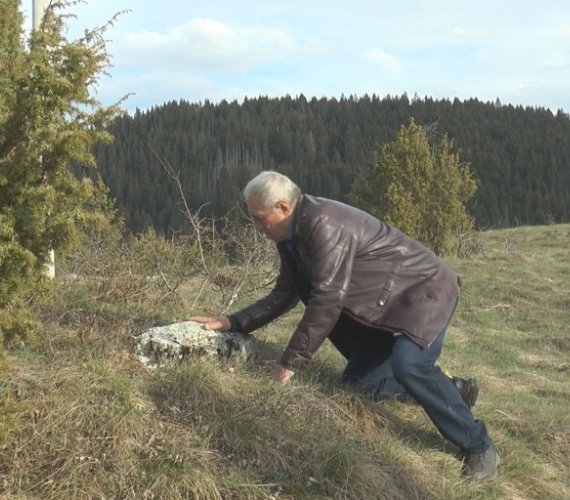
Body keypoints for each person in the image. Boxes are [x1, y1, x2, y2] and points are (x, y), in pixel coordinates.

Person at [189, 171, 499, 480]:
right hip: (387, 304)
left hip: (425, 293)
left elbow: (328, 298)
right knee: (358, 384)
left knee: (410, 365)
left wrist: (290, 363)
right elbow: (286, 292)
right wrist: (234, 321)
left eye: (260, 218)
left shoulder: (323, 222)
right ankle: (454, 389)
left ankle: (478, 445)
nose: (257, 227)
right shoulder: (291, 235)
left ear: (283, 207)